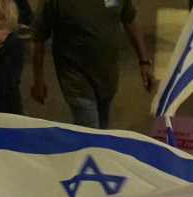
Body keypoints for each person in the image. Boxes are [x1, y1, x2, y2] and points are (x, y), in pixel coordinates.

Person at [29, 0, 154, 129]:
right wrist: (38, 80)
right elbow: (38, 38)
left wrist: (144, 62)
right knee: (90, 129)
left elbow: (130, 20)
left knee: (102, 128)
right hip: (77, 80)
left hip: (107, 78)